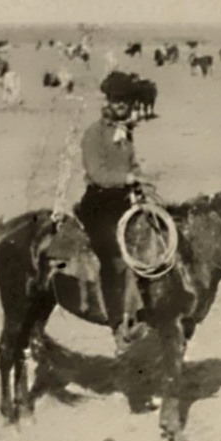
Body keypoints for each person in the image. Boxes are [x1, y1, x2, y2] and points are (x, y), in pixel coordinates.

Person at [73, 101, 153, 347]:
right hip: (99, 205)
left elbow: (133, 165)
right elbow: (97, 173)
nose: (120, 105)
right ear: (107, 102)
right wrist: (127, 178)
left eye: (124, 100)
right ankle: (118, 325)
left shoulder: (124, 132)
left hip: (125, 203)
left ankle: (147, 316)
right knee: (114, 259)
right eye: (116, 100)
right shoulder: (93, 134)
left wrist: (140, 179)